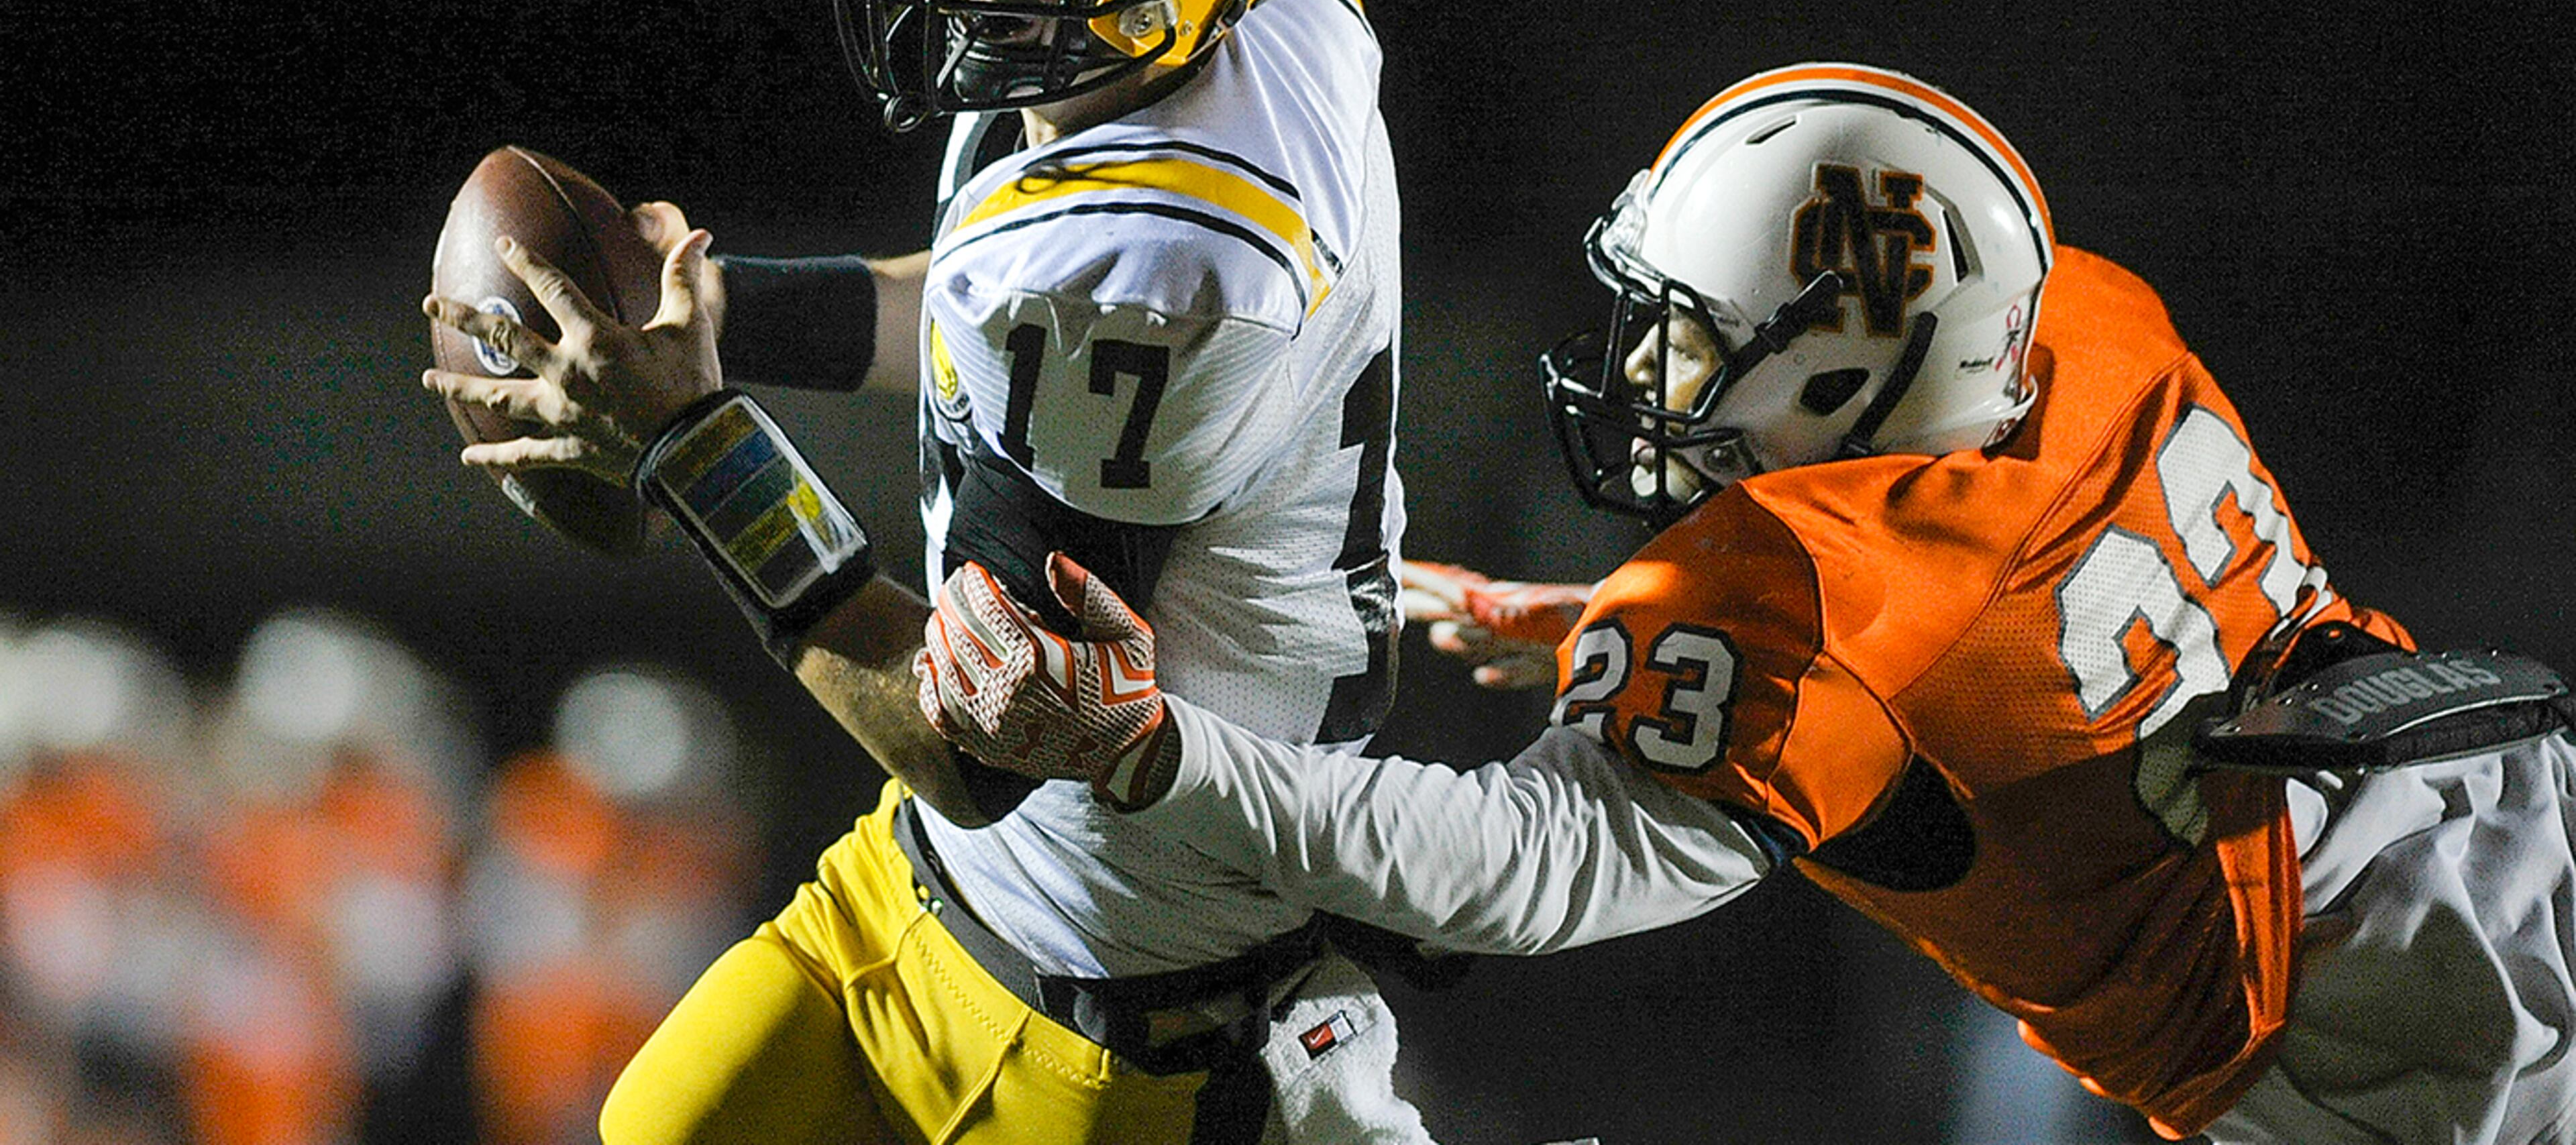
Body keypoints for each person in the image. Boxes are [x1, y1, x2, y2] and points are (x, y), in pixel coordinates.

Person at [918, 61, 2576, 1145]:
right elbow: (1999, 619)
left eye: (1696, 337)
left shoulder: (1796, 585)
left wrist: (1151, 752)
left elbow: (1525, 869)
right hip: (2484, 826)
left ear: (1858, 374)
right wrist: (1597, 625)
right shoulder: (2076, 321)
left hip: (2366, 1053)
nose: (1643, 369)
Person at [422, 0, 1435, 1140]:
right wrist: (708, 321)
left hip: (1142, 1023)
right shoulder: (1237, 14)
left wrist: (695, 448)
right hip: (926, 900)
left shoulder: (1169, 262)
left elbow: (980, 753)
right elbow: (978, 311)